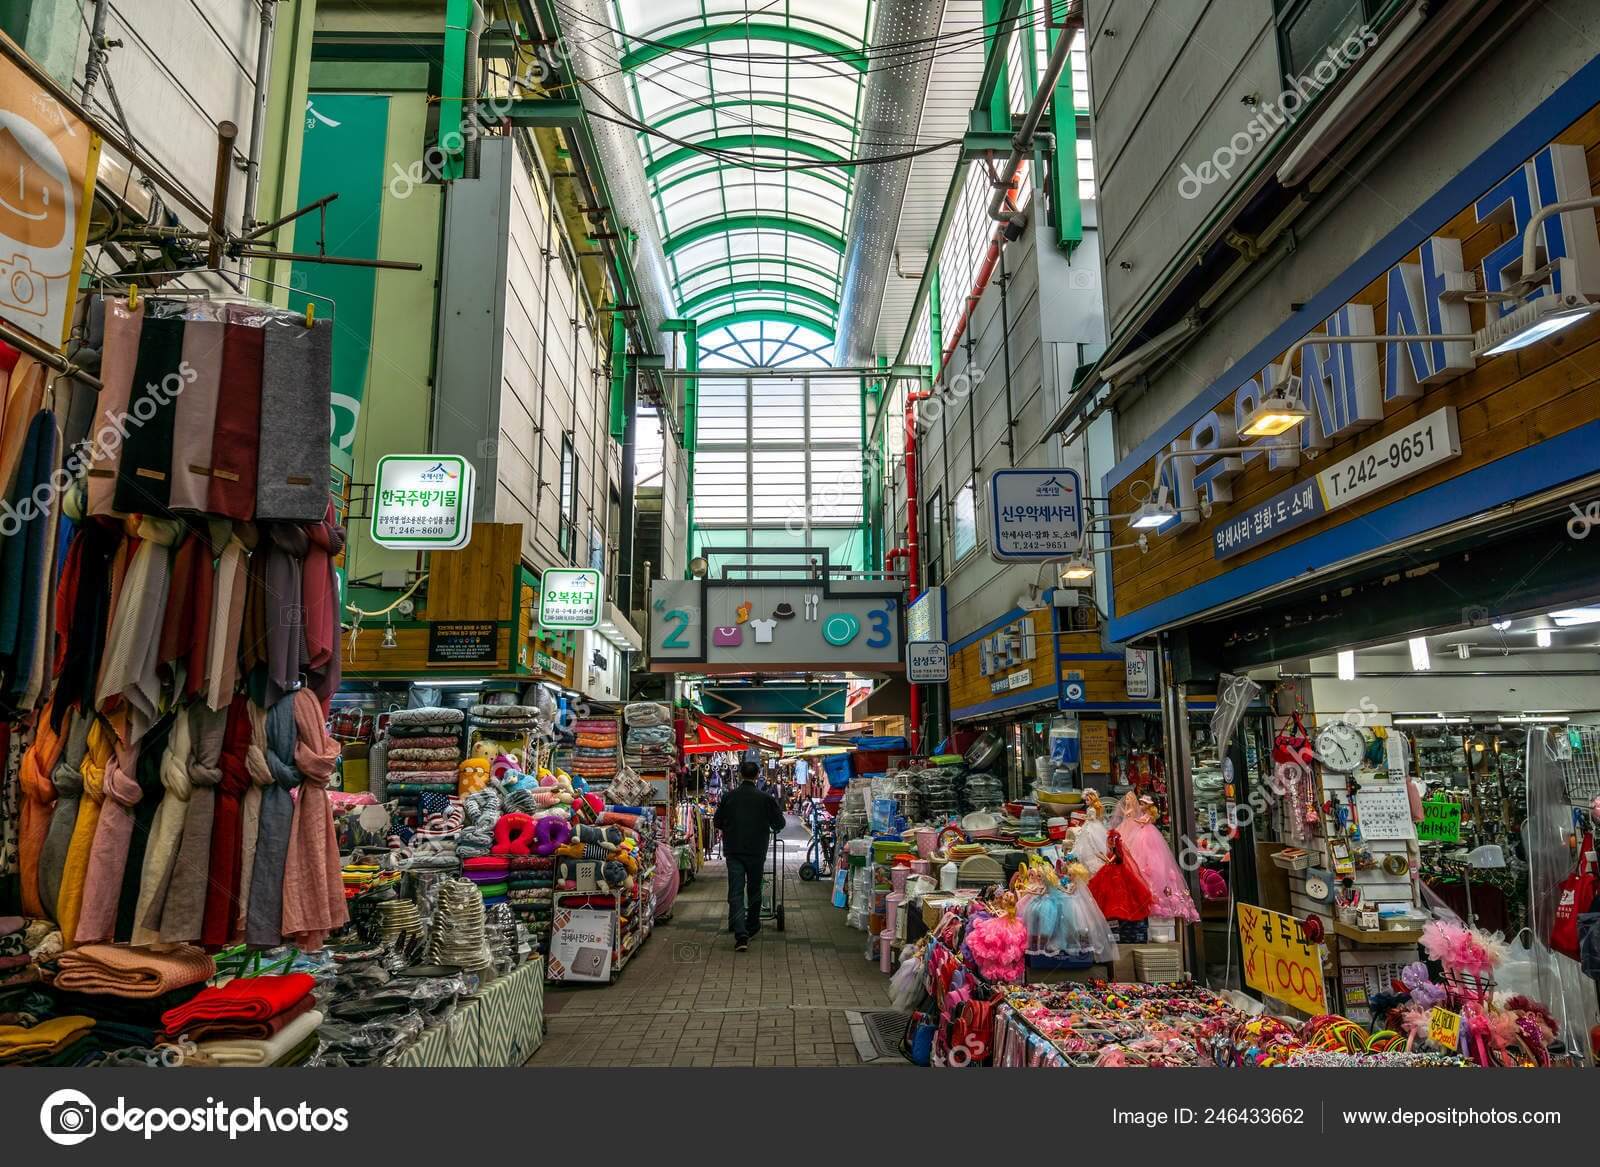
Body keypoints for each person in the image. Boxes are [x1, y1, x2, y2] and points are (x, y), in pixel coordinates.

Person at [714, 759, 787, 951]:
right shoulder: (765, 798)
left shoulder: (728, 797)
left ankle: (741, 934)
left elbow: (717, 822)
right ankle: (752, 925)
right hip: (756, 851)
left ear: (740, 775)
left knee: (736, 891)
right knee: (754, 889)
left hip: (734, 851)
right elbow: (779, 823)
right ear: (757, 775)